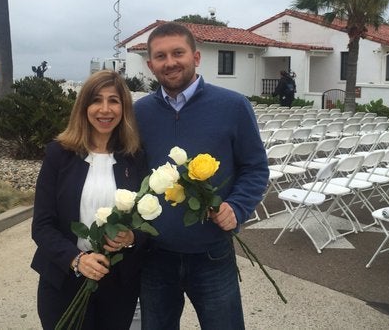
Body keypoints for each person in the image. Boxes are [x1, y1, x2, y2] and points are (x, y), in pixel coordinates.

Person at [134, 22, 269, 330]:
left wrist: (236, 206)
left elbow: (255, 167)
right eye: (161, 56)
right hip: (155, 255)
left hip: (211, 252)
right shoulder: (140, 113)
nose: (170, 62)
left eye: (178, 53)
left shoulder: (233, 106)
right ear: (150, 64)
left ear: (196, 57)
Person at [31, 70, 148, 330]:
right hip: (64, 279)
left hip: (117, 284)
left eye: (114, 101)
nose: (105, 109)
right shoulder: (58, 155)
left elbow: (149, 223)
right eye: (96, 100)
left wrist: (131, 238)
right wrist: (77, 259)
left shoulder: (135, 158)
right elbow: (42, 225)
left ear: (124, 108)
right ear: (84, 106)